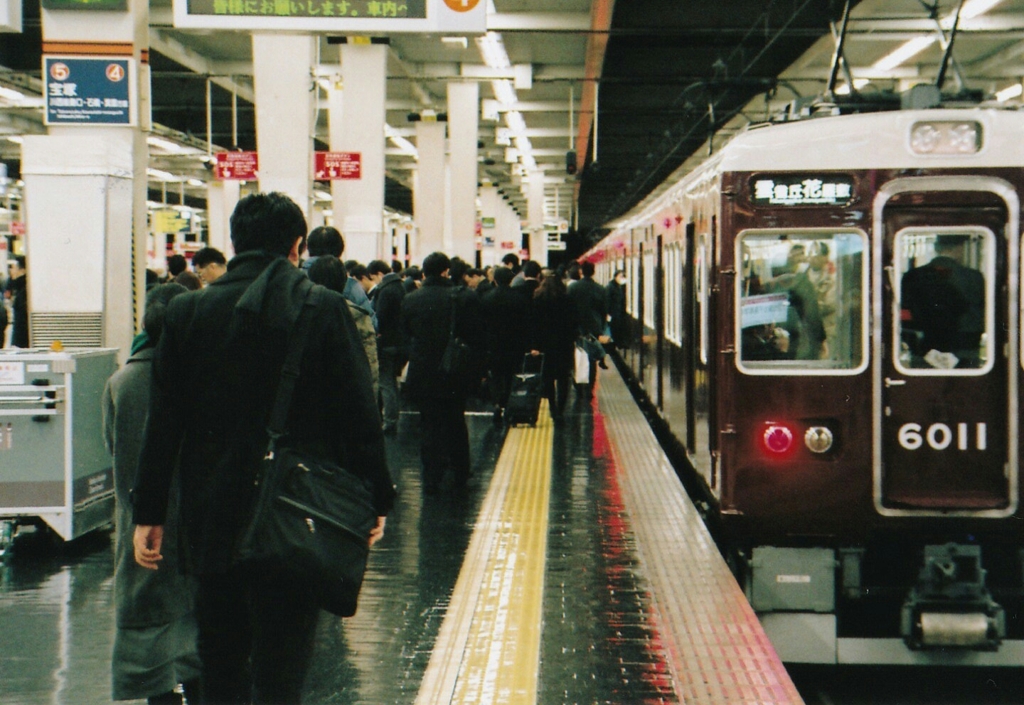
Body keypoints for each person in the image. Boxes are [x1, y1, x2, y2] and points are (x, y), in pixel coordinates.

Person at [131, 192, 395, 705]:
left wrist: (150, 511)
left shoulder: (187, 313)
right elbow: (358, 413)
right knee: (283, 662)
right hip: (294, 513)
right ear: (297, 247)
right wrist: (375, 498)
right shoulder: (323, 309)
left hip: (211, 513)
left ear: (234, 243)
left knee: (221, 659)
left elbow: (163, 424)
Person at [103, 283, 201, 705]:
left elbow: (115, 449)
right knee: (201, 631)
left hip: (142, 522)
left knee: (150, 632)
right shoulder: (203, 377)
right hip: (196, 519)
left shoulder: (122, 381)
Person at [400, 252, 484, 495]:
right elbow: (477, 337)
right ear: (447, 271)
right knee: (456, 421)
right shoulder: (465, 297)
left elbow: (406, 334)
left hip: (423, 373)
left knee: (429, 424)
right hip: (454, 372)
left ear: (424, 273)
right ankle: (460, 472)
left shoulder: (411, 299)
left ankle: (431, 478)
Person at [901, 234, 985, 368]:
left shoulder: (912, 276)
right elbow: (981, 315)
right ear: (960, 248)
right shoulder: (974, 278)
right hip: (965, 351)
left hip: (924, 351)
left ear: (936, 247)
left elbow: (904, 316)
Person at [308, 256, 379, 393]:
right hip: (346, 397)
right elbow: (370, 368)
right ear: (344, 281)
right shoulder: (358, 315)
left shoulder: (302, 311)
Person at [481, 266, 530, 426]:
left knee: (495, 375)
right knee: (511, 376)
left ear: (494, 280)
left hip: (492, 344)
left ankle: (497, 403)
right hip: (515, 345)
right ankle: (508, 405)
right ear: (511, 280)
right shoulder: (520, 298)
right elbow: (525, 324)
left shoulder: (486, 298)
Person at [303, 225, 376, 328]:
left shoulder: (295, 279)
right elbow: (370, 323)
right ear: (340, 251)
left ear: (308, 247)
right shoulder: (350, 285)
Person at [529, 273, 576, 421]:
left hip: (545, 345)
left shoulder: (537, 299)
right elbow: (574, 323)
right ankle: (560, 410)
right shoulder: (567, 300)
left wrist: (535, 345)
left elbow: (534, 325)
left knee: (548, 377)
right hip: (564, 344)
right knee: (563, 377)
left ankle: (552, 407)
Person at [367, 259, 406, 435]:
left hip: (386, 343)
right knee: (391, 382)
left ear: (379, 274)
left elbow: (379, 317)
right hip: (398, 342)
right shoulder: (400, 286)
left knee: (386, 382)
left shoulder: (386, 290)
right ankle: (392, 417)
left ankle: (389, 421)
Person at [567, 260, 609, 392]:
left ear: (581, 272)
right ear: (593, 272)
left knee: (578, 356)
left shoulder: (573, 288)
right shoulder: (600, 289)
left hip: (576, 328)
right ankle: (590, 387)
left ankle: (578, 385)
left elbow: (567, 308)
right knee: (591, 358)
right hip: (594, 329)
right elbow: (604, 311)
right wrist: (602, 328)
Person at [605, 269, 628, 350]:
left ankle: (618, 344)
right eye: (621, 276)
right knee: (614, 329)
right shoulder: (611, 287)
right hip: (613, 313)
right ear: (615, 277)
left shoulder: (618, 287)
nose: (623, 278)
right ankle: (614, 345)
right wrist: (608, 314)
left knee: (617, 329)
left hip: (617, 313)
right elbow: (607, 301)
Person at [7, 256, 27, 348]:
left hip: (22, 344)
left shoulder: (24, 291)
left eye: (13, 267)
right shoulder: (20, 288)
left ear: (22, 270)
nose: (11, 270)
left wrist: (16, 344)